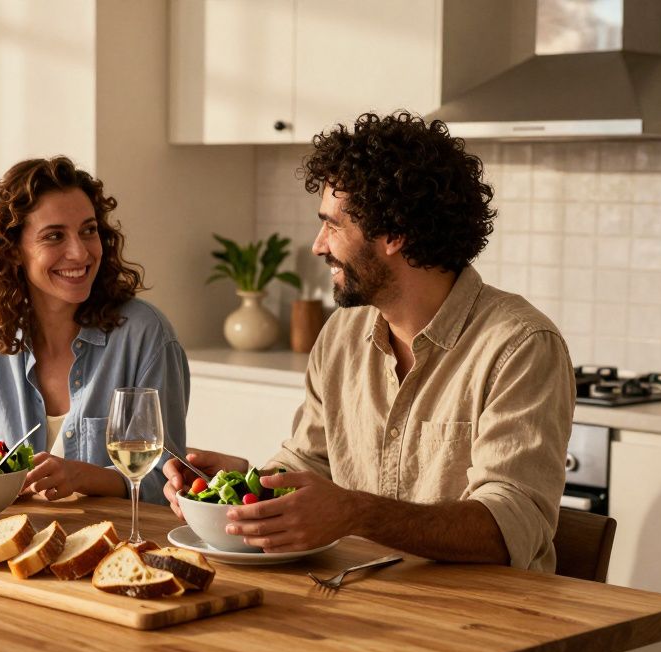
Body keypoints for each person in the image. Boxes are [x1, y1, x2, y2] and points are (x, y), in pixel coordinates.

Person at [164, 112, 574, 572]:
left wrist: (355, 512)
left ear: (395, 234)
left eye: (333, 225)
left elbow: (509, 526)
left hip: (481, 620)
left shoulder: (518, 345)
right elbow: (311, 463)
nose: (318, 246)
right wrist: (238, 487)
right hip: (358, 598)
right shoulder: (341, 334)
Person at [0, 156, 189, 504]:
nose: (80, 251)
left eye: (88, 230)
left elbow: (168, 481)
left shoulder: (145, 335)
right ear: (13, 251)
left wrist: (84, 476)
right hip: (12, 540)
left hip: (114, 544)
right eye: (54, 236)